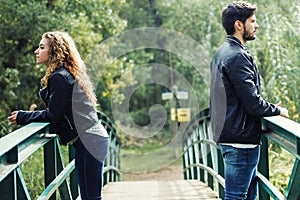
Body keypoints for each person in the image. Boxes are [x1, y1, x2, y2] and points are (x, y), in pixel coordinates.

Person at [8, 31, 109, 200]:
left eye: (41, 47)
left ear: (54, 51)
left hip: (89, 141)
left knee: (91, 197)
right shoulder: (64, 74)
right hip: (93, 139)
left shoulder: (59, 77)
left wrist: (23, 117)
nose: (36, 51)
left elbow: (53, 114)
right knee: (91, 197)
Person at [210, 1, 289, 200]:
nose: (257, 25)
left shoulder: (222, 52)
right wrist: (277, 111)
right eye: (252, 21)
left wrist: (268, 107)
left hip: (232, 136)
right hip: (240, 142)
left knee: (245, 196)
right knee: (237, 196)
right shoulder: (237, 56)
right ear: (239, 25)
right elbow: (252, 103)